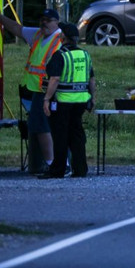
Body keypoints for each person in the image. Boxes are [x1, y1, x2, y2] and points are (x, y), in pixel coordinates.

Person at [0, 6, 62, 175]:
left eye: (48, 20)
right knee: (42, 126)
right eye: (42, 20)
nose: (44, 23)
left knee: (42, 126)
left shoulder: (59, 39)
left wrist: (49, 96)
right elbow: (15, 28)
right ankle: (56, 163)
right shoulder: (37, 34)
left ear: (56, 22)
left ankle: (52, 164)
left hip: (47, 91)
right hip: (34, 89)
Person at [39, 23, 96, 179]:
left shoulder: (60, 55)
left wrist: (46, 99)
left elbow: (55, 79)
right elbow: (91, 80)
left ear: (62, 37)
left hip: (63, 102)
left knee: (60, 136)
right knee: (77, 135)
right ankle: (80, 169)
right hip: (81, 102)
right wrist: (93, 99)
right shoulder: (85, 55)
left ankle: (57, 170)